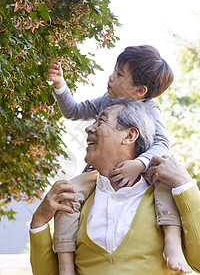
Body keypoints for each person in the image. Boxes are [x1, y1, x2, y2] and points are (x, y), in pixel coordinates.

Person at [47, 45, 190, 274]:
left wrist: (139, 164)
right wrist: (60, 85)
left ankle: (172, 240)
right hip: (98, 173)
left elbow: (162, 144)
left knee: (164, 180)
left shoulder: (150, 109)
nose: (111, 76)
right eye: (114, 70)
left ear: (139, 90)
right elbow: (73, 111)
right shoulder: (106, 101)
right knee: (69, 198)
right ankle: (66, 263)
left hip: (140, 168)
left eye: (120, 74)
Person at [29, 99, 200, 275]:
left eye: (101, 121)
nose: (89, 129)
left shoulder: (165, 197)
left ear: (129, 135)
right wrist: (39, 221)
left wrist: (184, 184)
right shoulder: (75, 200)